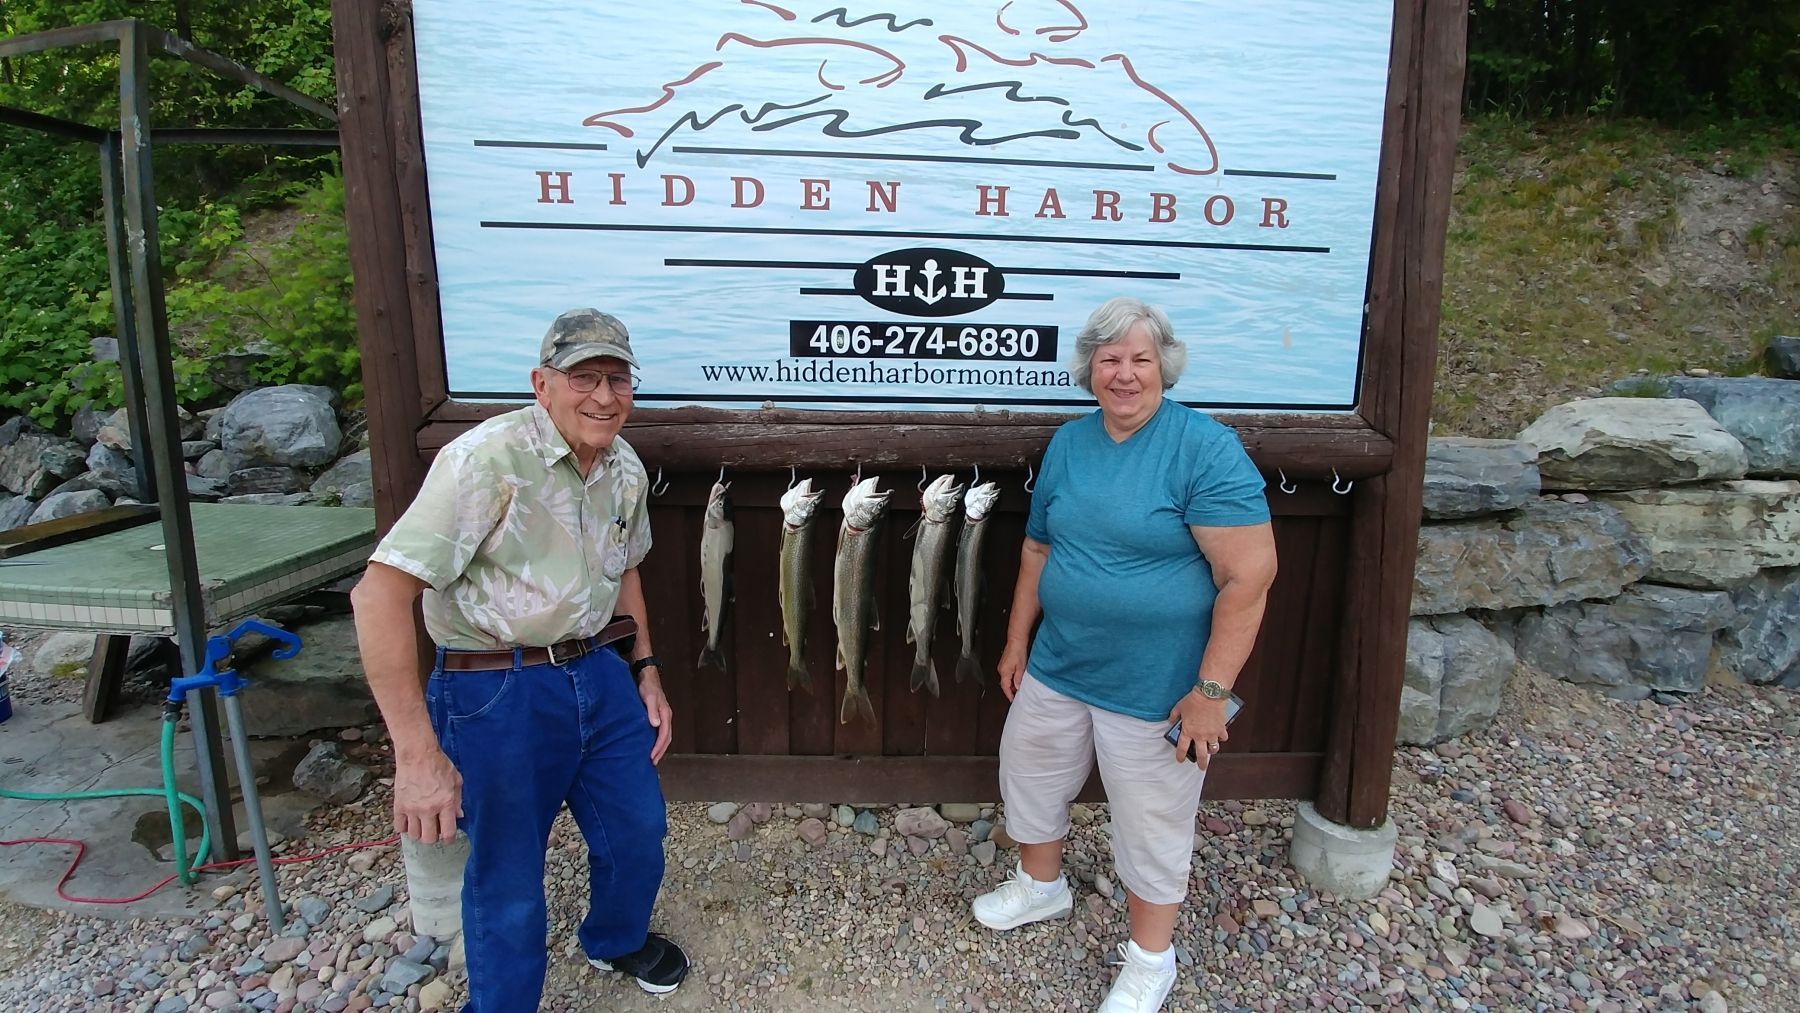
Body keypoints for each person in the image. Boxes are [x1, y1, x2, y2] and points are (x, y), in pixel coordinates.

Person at [351, 308, 688, 1010]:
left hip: (599, 670)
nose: (604, 396)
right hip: (493, 688)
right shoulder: (484, 461)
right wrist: (416, 757)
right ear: (542, 384)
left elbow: (626, 567)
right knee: (507, 877)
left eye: (618, 379)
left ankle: (615, 938)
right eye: (584, 378)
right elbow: (377, 597)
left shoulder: (623, 464)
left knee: (637, 829)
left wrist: (646, 668)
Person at [972, 297, 1278, 1013]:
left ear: (1164, 366)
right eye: (1109, 359)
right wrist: (1017, 641)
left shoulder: (1204, 449)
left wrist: (1211, 691)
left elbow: (1250, 576)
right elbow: (1038, 549)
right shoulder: (1069, 444)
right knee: (1030, 775)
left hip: (1156, 685)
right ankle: (1041, 885)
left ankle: (1150, 960)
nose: (1125, 374)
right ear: (1090, 370)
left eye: (1141, 358)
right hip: (1059, 663)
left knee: (1150, 822)